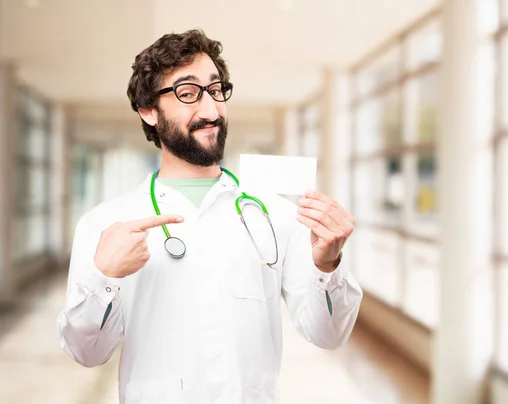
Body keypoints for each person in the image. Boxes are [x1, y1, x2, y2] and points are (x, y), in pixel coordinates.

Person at [57, 29, 362, 404]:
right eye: (188, 93)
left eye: (216, 90)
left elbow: (328, 335)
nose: (211, 109)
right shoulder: (106, 223)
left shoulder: (275, 214)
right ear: (148, 110)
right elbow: (87, 353)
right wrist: (104, 277)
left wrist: (329, 264)